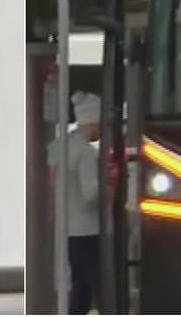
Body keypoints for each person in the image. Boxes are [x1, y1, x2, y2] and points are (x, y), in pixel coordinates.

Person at [66, 91, 102, 315]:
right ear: (91, 123)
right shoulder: (86, 153)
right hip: (87, 230)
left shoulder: (64, 145)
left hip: (69, 229)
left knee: (79, 286)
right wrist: (109, 186)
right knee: (92, 286)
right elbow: (90, 194)